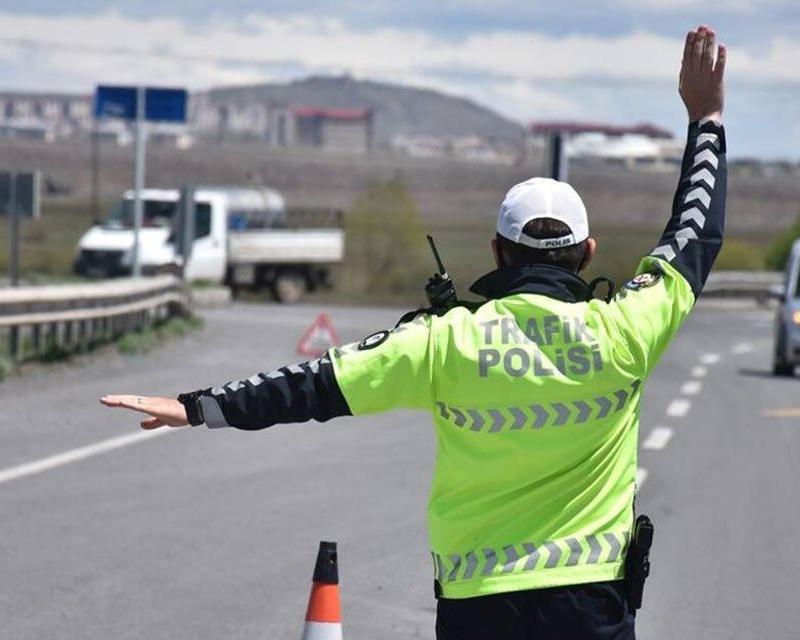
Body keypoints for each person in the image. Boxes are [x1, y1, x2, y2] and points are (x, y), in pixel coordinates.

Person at [101, 25, 727, 640]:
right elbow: (693, 233)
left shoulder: (443, 341)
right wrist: (706, 120)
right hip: (592, 605)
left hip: (478, 606)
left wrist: (199, 406)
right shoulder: (624, 329)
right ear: (587, 253)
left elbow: (314, 385)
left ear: (497, 252)